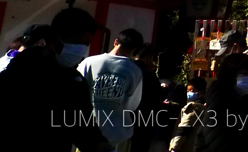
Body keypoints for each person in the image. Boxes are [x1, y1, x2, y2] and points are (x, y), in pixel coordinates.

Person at [0, 23, 111, 152]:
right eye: (76, 41)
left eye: (86, 43)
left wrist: (98, 144)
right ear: (52, 41)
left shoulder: (75, 81)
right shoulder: (17, 72)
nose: (80, 48)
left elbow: (81, 125)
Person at [79, 28, 146, 151]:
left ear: (116, 42)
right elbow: (132, 105)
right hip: (117, 131)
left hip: (86, 129)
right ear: (135, 49)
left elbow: (76, 94)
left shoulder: (89, 62)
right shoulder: (134, 71)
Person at [195, 53, 248, 152]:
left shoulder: (246, 102)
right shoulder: (220, 101)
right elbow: (219, 141)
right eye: (245, 74)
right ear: (230, 74)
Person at [214, 30, 248, 107]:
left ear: (235, 47)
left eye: (227, 51)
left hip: (242, 109)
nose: (227, 55)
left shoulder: (246, 61)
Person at [170, 78, 207, 152]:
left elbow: (183, 129)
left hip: (184, 147)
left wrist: (174, 148)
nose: (189, 93)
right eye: (187, 91)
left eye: (192, 90)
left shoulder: (192, 107)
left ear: (201, 92)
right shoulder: (205, 107)